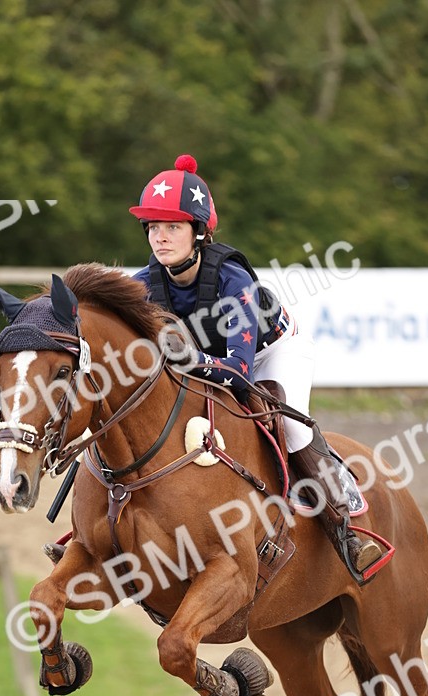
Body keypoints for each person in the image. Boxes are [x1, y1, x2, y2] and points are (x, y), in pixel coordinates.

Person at [130, 153, 385, 582]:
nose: (160, 237)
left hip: (272, 352)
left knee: (289, 428)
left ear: (199, 232)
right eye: (153, 227)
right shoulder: (142, 286)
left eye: (172, 226)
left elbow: (239, 373)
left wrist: (188, 362)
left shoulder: (234, 281)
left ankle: (346, 531)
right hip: (208, 363)